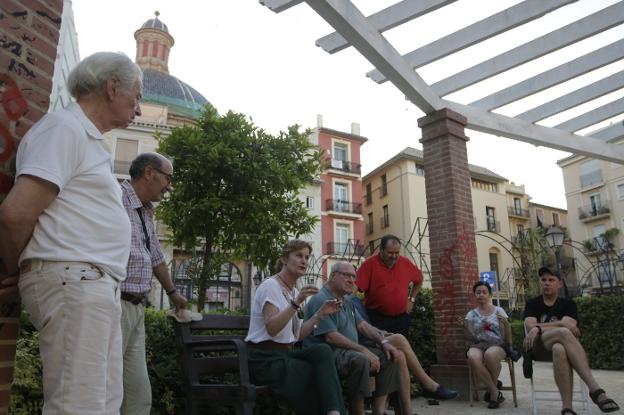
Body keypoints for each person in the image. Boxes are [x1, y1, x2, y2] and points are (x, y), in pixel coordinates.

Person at [0, 52, 142, 414]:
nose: (138, 108)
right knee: (78, 407)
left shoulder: (85, 137)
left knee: (102, 405)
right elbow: (16, 213)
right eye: (136, 96)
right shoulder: (64, 128)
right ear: (112, 87)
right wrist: (13, 271)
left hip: (89, 284)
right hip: (74, 281)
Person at [120, 153, 187, 414]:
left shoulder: (145, 210)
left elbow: (156, 256)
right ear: (149, 172)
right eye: (168, 178)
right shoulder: (116, 198)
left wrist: (172, 293)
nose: (170, 185)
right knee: (105, 391)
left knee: (138, 396)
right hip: (114, 302)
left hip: (136, 309)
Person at [245, 240, 346, 415]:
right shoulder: (271, 286)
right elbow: (272, 329)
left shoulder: (291, 290)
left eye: (307, 257)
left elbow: (297, 335)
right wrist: (296, 302)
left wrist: (320, 314)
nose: (304, 261)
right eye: (298, 255)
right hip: (264, 359)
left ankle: (334, 412)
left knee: (322, 351)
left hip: (284, 355)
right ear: (284, 258)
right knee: (311, 372)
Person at [305, 261, 404, 415]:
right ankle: (357, 412)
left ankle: (378, 410)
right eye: (346, 275)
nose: (351, 280)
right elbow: (331, 337)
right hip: (328, 353)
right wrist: (363, 350)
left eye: (353, 276)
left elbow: (363, 325)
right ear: (332, 276)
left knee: (391, 355)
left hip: (347, 351)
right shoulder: (321, 299)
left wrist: (383, 342)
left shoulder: (347, 301)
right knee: (360, 359)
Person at [523, 267, 620, 415]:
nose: (547, 283)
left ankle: (567, 408)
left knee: (559, 348)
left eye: (551, 280)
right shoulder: (532, 303)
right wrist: (558, 324)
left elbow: (570, 325)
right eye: (543, 280)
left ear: (559, 284)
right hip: (539, 347)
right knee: (562, 332)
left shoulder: (568, 304)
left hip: (558, 347)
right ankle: (595, 389)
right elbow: (531, 326)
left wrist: (540, 327)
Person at [351, 286, 458, 403]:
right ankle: (428, 384)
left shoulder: (355, 301)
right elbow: (357, 329)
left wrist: (381, 332)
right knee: (399, 339)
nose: (352, 283)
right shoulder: (342, 301)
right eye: (347, 277)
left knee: (399, 355)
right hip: (360, 343)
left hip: (371, 339)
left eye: (353, 279)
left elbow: (365, 325)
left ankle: (406, 411)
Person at [356, 234, 422, 338]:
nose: (394, 256)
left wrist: (412, 299)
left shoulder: (405, 262)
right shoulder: (369, 264)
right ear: (381, 250)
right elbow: (356, 289)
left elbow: (419, 279)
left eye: (397, 253)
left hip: (401, 319)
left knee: (401, 349)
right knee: (382, 350)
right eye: (390, 253)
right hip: (377, 319)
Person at [465, 281, 511, 409]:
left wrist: (506, 324)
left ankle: (492, 389)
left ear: (489, 295)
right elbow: (469, 337)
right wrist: (466, 328)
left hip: (497, 344)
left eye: (484, 292)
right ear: (475, 295)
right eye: (478, 292)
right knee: (473, 357)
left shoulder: (498, 310)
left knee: (490, 355)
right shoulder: (471, 315)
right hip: (479, 345)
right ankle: (494, 390)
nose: (481, 295)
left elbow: (507, 335)